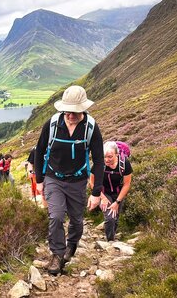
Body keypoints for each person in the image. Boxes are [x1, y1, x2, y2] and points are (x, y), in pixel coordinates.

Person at [34, 85, 104, 275]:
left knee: (77, 221)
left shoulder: (91, 128)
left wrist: (97, 192)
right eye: (67, 111)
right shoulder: (52, 124)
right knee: (56, 217)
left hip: (77, 181)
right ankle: (57, 255)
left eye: (75, 111)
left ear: (83, 109)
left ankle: (71, 245)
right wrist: (39, 180)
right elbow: (39, 152)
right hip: (53, 178)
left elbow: (99, 161)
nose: (70, 115)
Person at [89, 141, 133, 241]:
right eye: (104, 156)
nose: (106, 160)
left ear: (117, 155)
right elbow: (92, 182)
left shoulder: (124, 164)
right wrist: (102, 197)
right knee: (110, 218)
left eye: (110, 157)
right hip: (103, 193)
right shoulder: (99, 164)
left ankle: (112, 236)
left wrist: (117, 202)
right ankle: (110, 241)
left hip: (119, 194)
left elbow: (126, 184)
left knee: (115, 218)